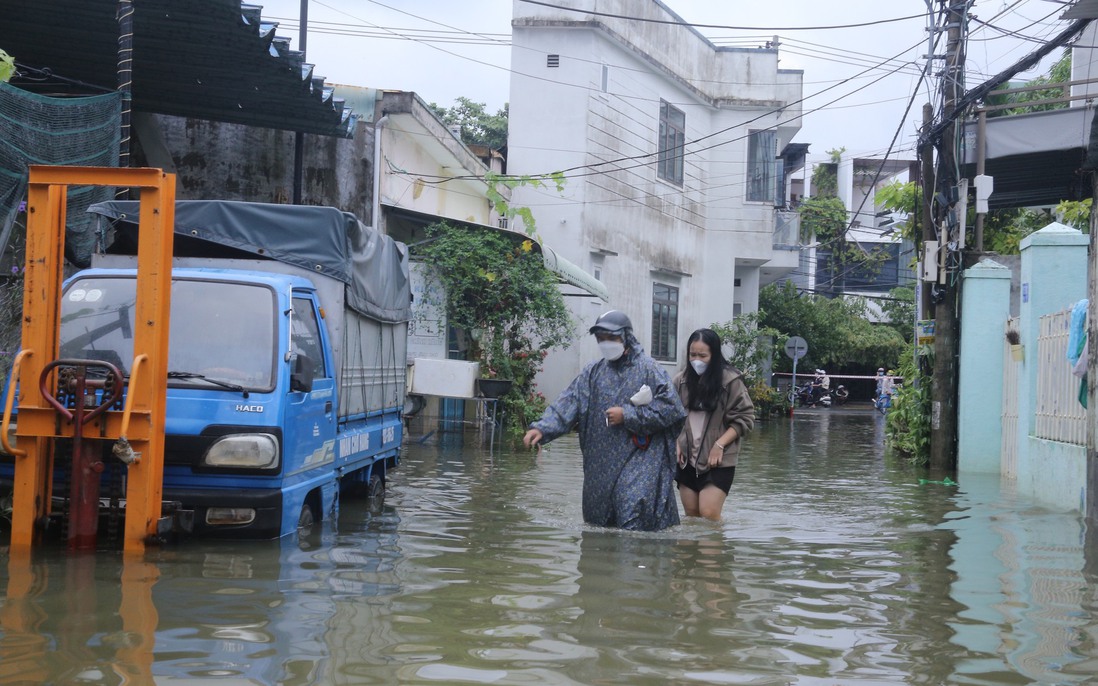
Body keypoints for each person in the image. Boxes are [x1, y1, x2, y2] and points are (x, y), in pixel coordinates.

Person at [523, 310, 687, 531]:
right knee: (598, 523)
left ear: (626, 337)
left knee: (632, 513)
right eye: (601, 339)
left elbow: (673, 409)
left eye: (612, 338)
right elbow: (569, 401)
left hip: (640, 458)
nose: (606, 343)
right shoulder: (593, 372)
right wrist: (543, 428)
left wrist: (629, 415)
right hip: (600, 461)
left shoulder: (650, 369)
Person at [672, 329, 755, 521]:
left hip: (718, 460)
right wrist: (676, 442)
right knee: (692, 516)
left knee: (708, 514)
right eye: (693, 355)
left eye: (703, 355)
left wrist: (719, 445)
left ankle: (716, 548)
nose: (697, 360)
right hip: (686, 460)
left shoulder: (730, 381)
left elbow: (745, 417)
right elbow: (669, 416)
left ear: (714, 355)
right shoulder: (680, 381)